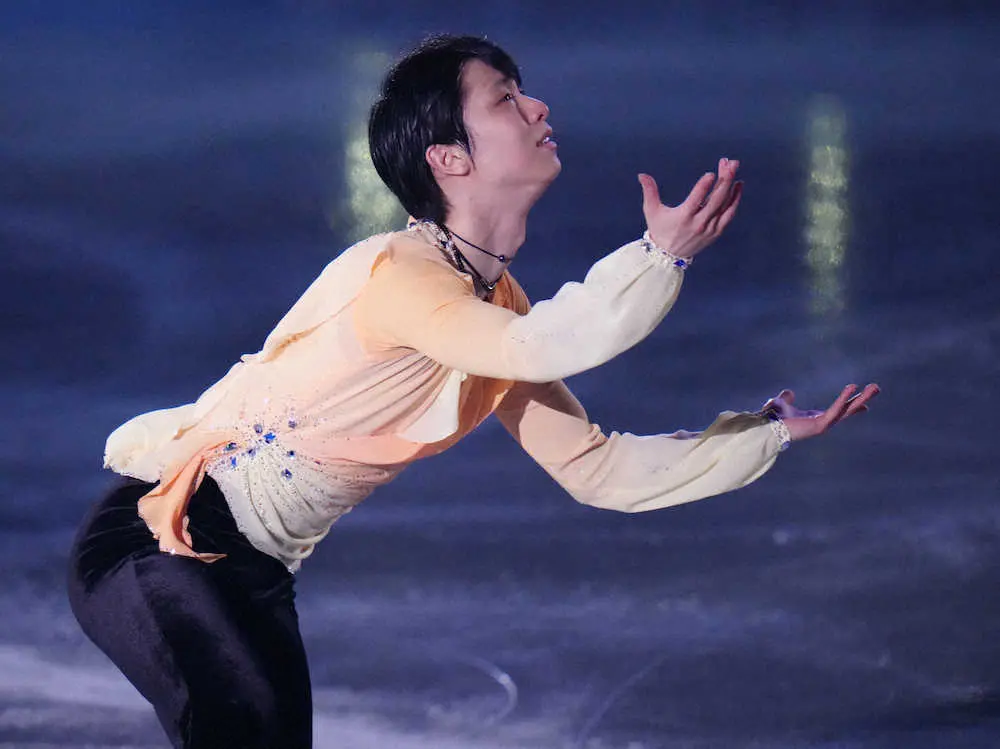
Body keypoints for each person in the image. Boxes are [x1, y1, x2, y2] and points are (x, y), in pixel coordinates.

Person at [66, 34, 879, 749]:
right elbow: (542, 344)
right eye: (506, 98)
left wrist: (766, 432)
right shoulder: (401, 278)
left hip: (251, 568)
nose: (537, 106)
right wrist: (657, 257)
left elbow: (595, 469)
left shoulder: (494, 306)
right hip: (160, 540)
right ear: (449, 158)